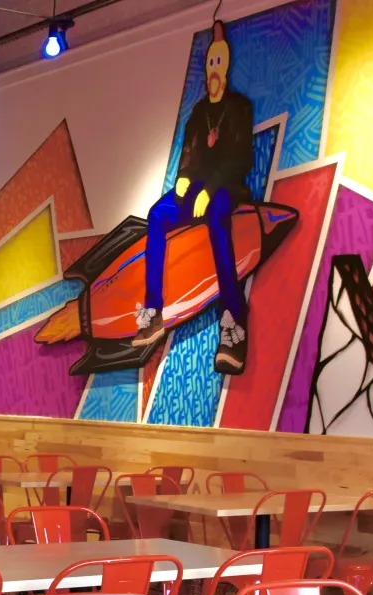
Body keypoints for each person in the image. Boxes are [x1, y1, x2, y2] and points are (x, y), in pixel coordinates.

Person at [134, 20, 254, 375]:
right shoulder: (199, 112)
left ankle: (233, 320)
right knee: (157, 215)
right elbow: (189, 153)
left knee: (217, 222)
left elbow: (240, 159)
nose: (213, 71)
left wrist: (212, 186)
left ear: (226, 66)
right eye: (209, 65)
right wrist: (185, 179)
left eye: (218, 64)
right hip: (196, 188)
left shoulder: (239, 108)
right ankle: (153, 311)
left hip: (226, 188)